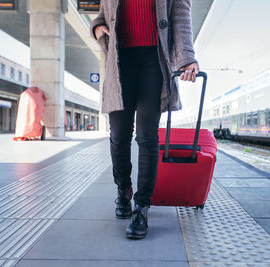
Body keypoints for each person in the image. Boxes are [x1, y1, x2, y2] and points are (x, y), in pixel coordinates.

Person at [91, 0, 199, 239]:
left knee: (147, 136)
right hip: (120, 60)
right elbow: (103, 14)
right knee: (118, 135)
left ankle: (142, 206)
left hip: (153, 59)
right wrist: (98, 28)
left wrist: (187, 57)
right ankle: (123, 189)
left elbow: (180, 15)